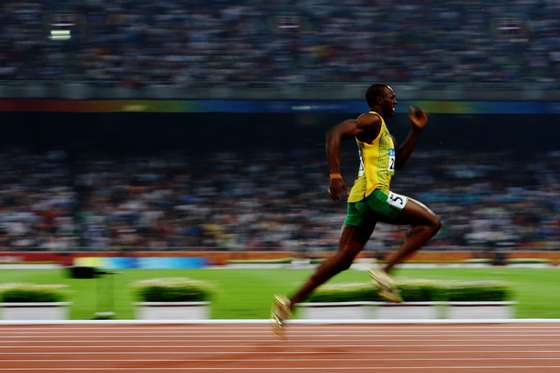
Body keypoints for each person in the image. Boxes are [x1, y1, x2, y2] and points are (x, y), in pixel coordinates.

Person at [271, 83, 442, 330]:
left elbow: (399, 164)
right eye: (392, 97)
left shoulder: (384, 134)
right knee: (432, 222)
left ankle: (289, 303)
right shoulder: (371, 120)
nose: (396, 101)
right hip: (375, 195)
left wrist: (415, 132)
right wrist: (334, 174)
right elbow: (335, 133)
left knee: (342, 260)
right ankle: (386, 270)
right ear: (379, 99)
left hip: (360, 199)